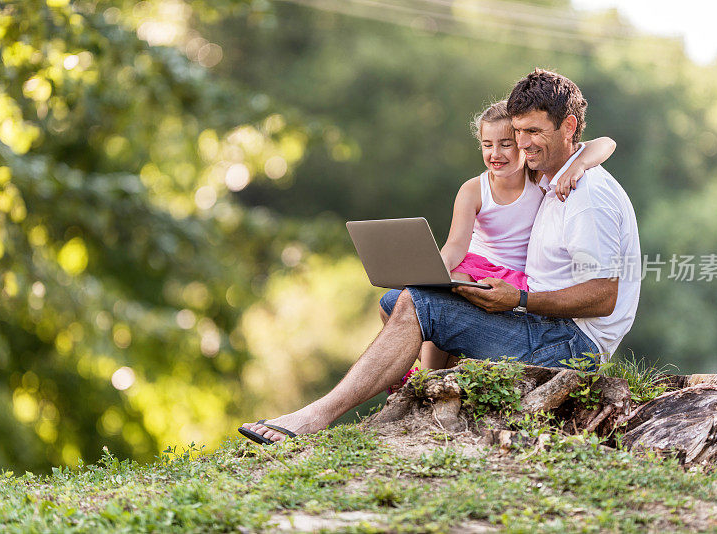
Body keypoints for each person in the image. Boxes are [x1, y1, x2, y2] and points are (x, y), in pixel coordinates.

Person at [240, 68, 641, 444]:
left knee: (419, 305)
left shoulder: (587, 196)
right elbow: (594, 148)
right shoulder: (554, 178)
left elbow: (603, 296)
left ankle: (314, 418)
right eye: (517, 131)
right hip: (543, 322)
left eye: (533, 131)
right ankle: (432, 399)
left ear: (568, 126)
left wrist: (517, 299)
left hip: (571, 345)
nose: (522, 143)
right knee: (396, 299)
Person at [380, 100, 616, 372]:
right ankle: (429, 376)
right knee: (428, 293)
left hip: (514, 279)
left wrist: (580, 165)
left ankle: (439, 375)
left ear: (522, 144)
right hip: (477, 266)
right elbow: (456, 245)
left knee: (447, 304)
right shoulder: (473, 190)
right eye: (487, 144)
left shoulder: (539, 178)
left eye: (506, 144)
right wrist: (437, 273)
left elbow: (606, 143)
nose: (496, 154)